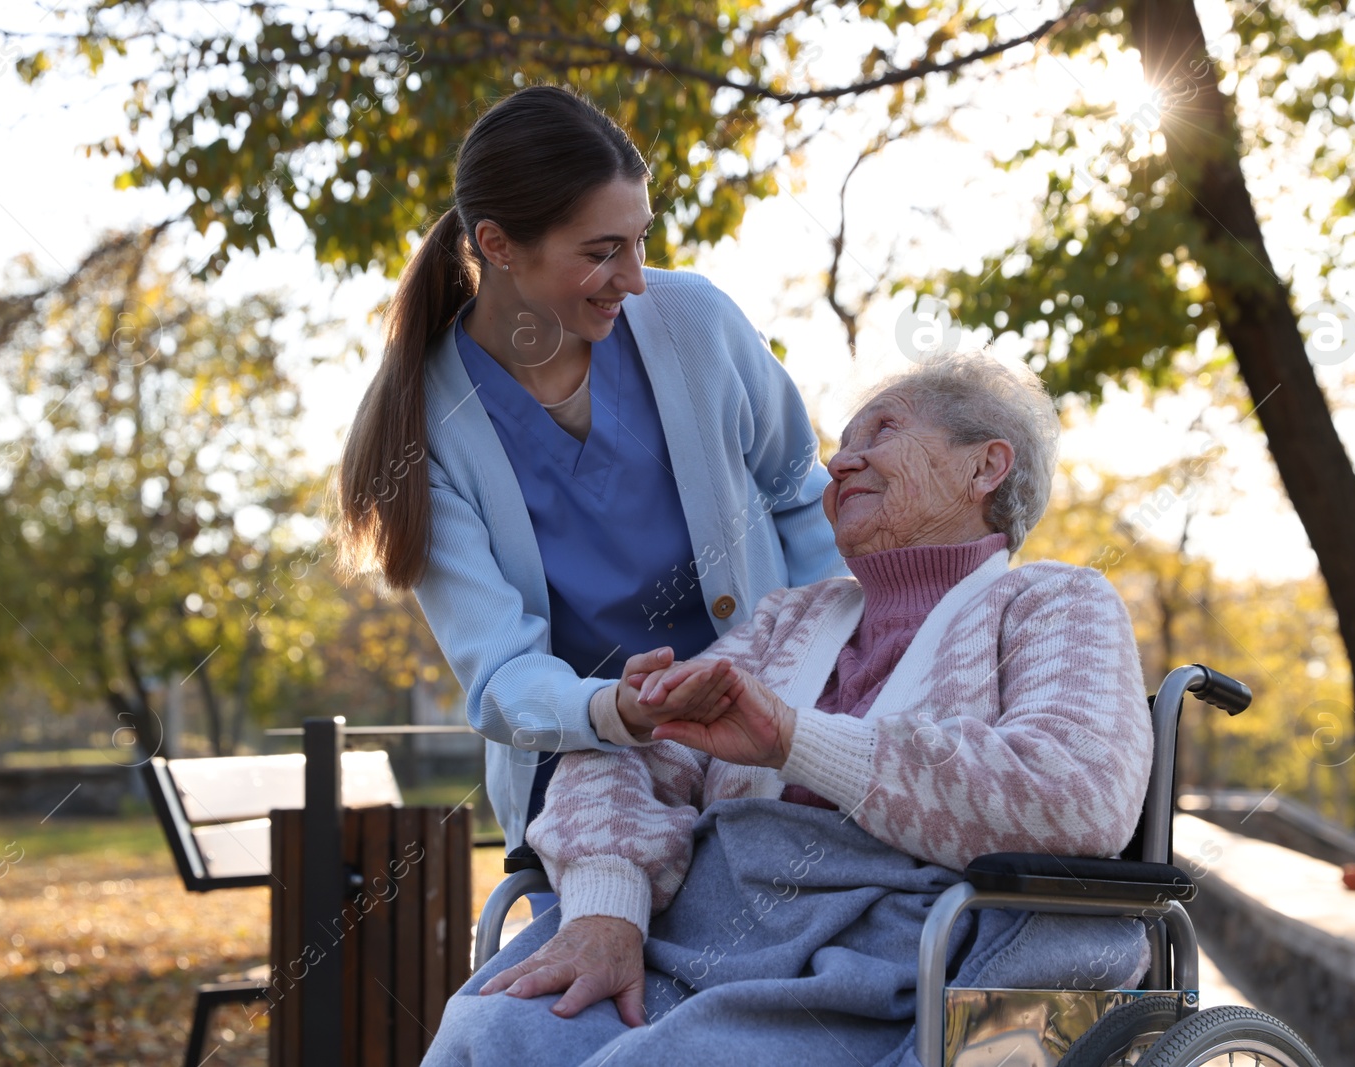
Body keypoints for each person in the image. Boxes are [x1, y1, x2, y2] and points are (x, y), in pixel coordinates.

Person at [421, 353, 1158, 1067]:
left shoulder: (1056, 601)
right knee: (495, 1031)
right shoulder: (789, 619)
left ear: (985, 466)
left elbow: (1079, 793)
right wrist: (606, 908)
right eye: (841, 446)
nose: (839, 464)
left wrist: (797, 742)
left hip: (888, 963)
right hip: (698, 938)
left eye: (883, 433)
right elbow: (625, 752)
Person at [333, 84, 844, 858]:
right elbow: (503, 671)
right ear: (499, 245)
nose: (635, 276)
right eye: (602, 251)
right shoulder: (425, 432)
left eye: (640, 239)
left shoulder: (695, 322)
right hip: (587, 773)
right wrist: (615, 710)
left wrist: (833, 677)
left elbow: (802, 499)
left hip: (767, 739)